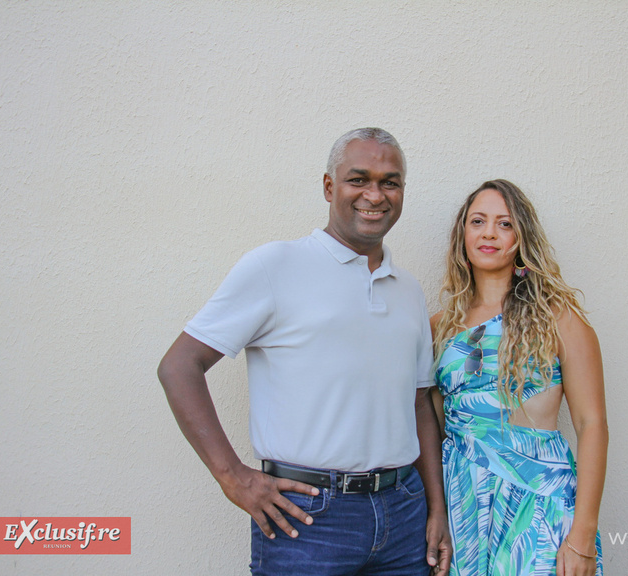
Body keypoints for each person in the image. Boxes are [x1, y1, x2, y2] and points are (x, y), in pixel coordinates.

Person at [158, 127, 451, 575]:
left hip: (404, 512)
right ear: (329, 186)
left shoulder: (408, 290)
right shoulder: (276, 266)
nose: (375, 194)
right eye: (359, 179)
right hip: (308, 518)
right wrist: (232, 477)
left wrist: (436, 507)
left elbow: (418, 405)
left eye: (390, 181)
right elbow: (179, 366)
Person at [431, 180, 607, 576]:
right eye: (478, 221)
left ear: (521, 235)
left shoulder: (559, 320)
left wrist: (582, 535)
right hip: (463, 503)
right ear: (463, 234)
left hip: (539, 502)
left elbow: (591, 424)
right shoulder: (439, 329)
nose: (489, 232)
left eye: (504, 223)